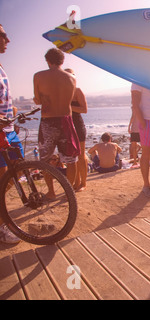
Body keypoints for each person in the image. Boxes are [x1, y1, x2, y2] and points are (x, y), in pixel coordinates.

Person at [33, 48, 80, 199]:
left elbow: (39, 100)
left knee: (46, 160)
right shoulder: (72, 78)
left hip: (48, 121)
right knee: (70, 160)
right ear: (62, 61)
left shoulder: (39, 76)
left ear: (48, 60)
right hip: (66, 120)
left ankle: (51, 192)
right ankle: (69, 193)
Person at [0, 24, 22, 244]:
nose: (8, 40)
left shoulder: (1, 66)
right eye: (3, 35)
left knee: (13, 174)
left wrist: (15, 114)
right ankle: (1, 227)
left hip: (8, 129)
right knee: (2, 177)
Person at [65, 68, 88, 191]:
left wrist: (68, 106)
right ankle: (76, 182)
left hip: (77, 125)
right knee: (71, 156)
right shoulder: (61, 92)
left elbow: (84, 109)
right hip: (66, 125)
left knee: (81, 155)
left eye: (71, 75)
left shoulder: (78, 91)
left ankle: (83, 183)